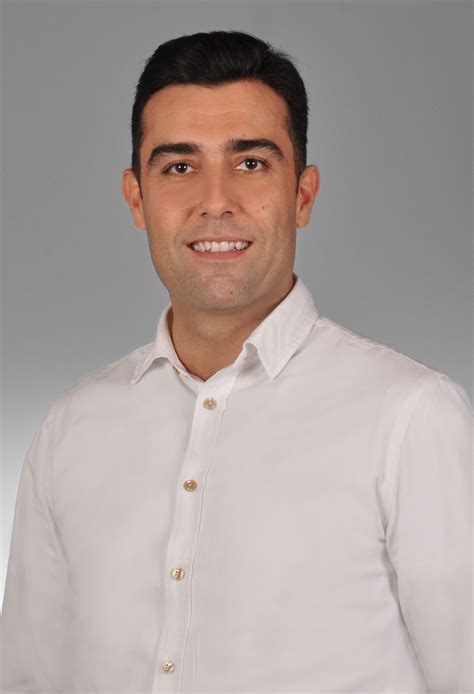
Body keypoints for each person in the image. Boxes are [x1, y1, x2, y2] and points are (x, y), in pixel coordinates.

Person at [1, 29, 472, 694]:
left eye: (250, 163)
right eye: (179, 167)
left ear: (302, 195)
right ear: (136, 199)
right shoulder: (69, 430)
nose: (215, 200)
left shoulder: (412, 419)